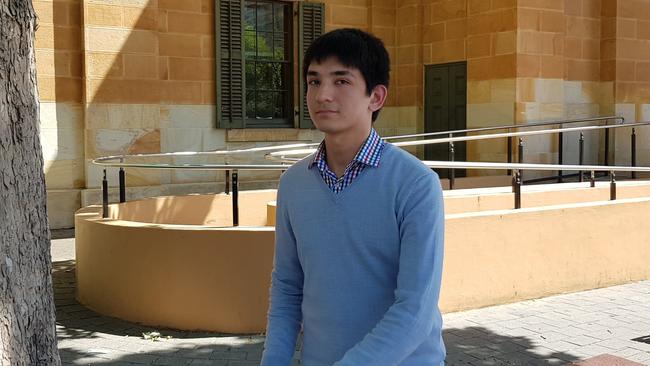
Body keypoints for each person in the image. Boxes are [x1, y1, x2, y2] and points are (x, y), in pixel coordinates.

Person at [261, 28, 445, 366]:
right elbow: (288, 287)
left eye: (341, 81)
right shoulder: (293, 183)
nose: (322, 95)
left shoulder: (416, 184)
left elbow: (415, 308)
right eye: (314, 81)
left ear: (376, 97)